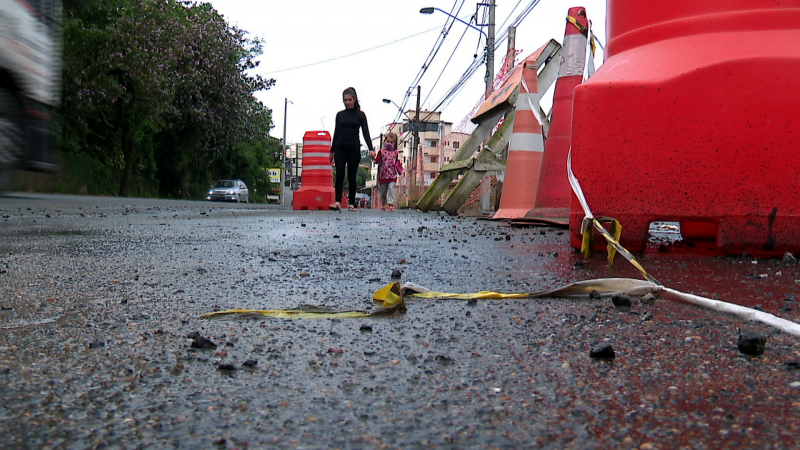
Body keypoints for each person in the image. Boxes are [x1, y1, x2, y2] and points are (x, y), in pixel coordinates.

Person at [329, 87, 374, 211]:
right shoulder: (340, 115)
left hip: (354, 147)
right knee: (339, 174)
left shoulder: (360, 115)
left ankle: (352, 203)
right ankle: (338, 201)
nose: (347, 102)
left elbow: (366, 132)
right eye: (345, 100)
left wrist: (371, 148)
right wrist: (332, 151)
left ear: (355, 100)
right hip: (340, 148)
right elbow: (336, 132)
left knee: (352, 175)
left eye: (350, 99)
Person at [371, 132, 401, 211]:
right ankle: (384, 204)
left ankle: (391, 204)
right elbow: (377, 161)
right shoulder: (381, 152)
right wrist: (373, 158)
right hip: (383, 175)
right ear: (384, 142)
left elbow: (396, 162)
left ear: (394, 144)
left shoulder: (395, 153)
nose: (389, 143)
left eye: (391, 142)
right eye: (388, 141)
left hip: (392, 176)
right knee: (383, 191)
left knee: (391, 189)